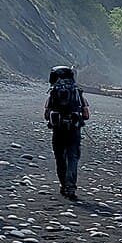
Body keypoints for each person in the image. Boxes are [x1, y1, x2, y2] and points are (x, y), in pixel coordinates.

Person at [44, 65, 90, 199]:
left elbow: (46, 114)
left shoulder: (53, 92)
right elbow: (86, 114)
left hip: (58, 132)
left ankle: (63, 185)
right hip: (74, 131)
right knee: (73, 158)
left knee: (60, 158)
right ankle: (70, 187)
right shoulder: (77, 92)